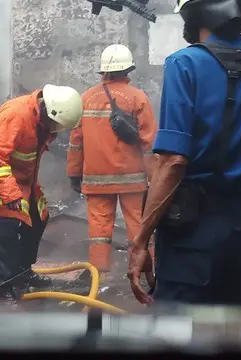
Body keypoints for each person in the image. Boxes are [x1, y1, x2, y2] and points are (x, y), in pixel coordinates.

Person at [128, 0, 241, 310]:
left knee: (177, 338)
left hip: (192, 242)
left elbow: (173, 161)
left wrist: (141, 241)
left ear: (193, 16)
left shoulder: (184, 65)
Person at [0, 84, 84, 301]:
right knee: (7, 235)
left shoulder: (40, 119)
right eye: (57, 125)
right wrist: (10, 193)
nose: (56, 130)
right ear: (50, 112)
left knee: (38, 220)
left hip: (24, 183)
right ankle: (4, 285)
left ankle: (23, 273)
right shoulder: (15, 116)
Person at [67, 44, 157, 279]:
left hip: (96, 179)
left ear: (103, 72)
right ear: (128, 70)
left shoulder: (85, 98)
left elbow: (76, 141)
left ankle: (100, 275)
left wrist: (74, 174)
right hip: (132, 180)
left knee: (99, 230)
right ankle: (144, 272)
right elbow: (149, 142)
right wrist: (154, 179)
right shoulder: (138, 97)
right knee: (138, 226)